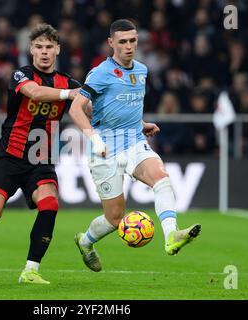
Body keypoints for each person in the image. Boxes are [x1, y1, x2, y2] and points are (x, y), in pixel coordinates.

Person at [68, 19, 201, 272]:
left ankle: (172, 236)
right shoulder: (100, 73)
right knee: (115, 218)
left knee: (161, 178)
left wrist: (141, 123)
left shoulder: (141, 70)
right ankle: (85, 242)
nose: (128, 46)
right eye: (122, 42)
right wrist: (94, 138)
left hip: (134, 142)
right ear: (111, 43)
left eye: (132, 41)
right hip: (104, 149)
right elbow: (76, 108)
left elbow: (125, 105)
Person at [0, 23, 81, 284]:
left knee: (50, 204)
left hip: (41, 158)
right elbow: (35, 93)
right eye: (39, 47)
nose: (44, 52)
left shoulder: (67, 81)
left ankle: (30, 270)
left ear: (57, 49)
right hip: (10, 157)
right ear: (31, 49)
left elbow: (94, 108)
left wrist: (136, 124)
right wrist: (69, 94)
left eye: (49, 47)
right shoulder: (20, 76)